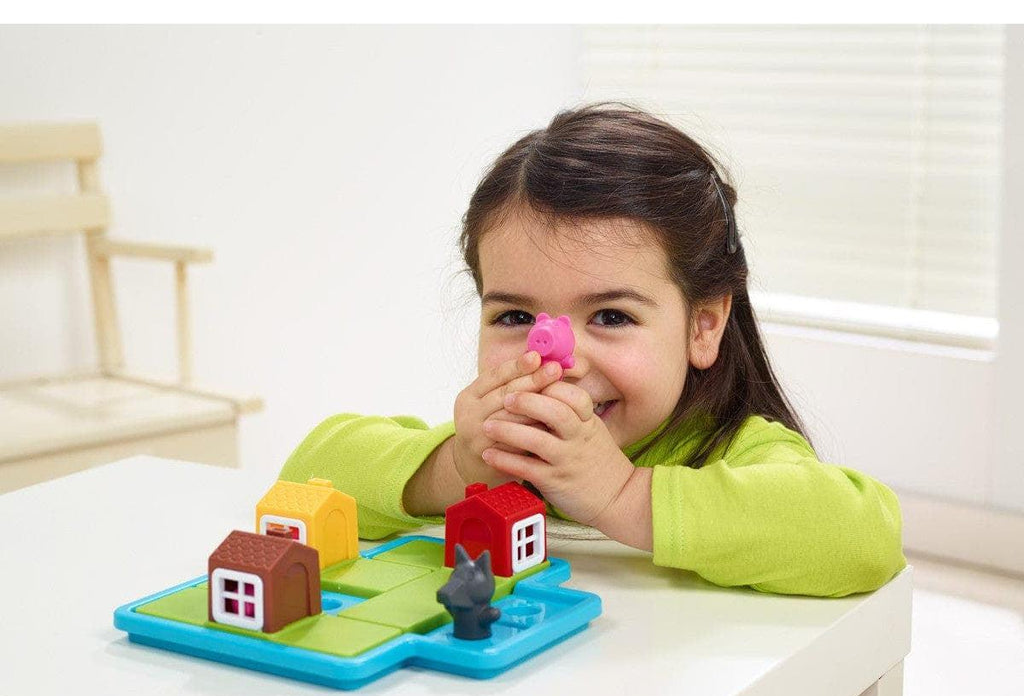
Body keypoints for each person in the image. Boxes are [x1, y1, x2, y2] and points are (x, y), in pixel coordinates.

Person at [280, 102, 906, 601]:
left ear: (703, 327)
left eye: (611, 316)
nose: (558, 360)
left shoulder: (737, 453)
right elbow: (309, 470)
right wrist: (456, 470)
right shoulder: (499, 449)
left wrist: (622, 494)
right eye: (515, 317)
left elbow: (863, 537)